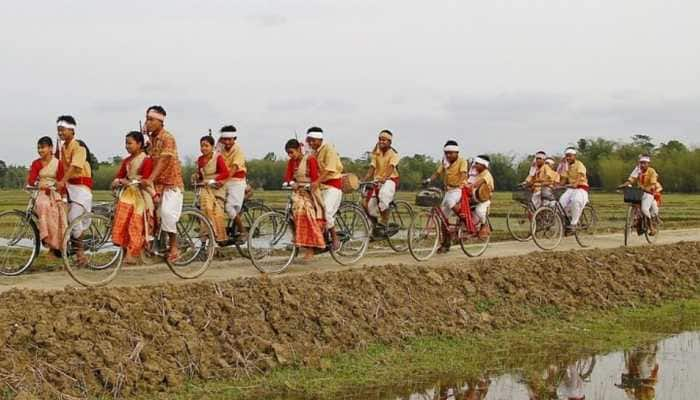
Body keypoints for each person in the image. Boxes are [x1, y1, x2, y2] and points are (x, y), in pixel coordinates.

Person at [141, 105, 184, 262]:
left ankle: (174, 247)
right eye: (147, 119)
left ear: (160, 121)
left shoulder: (167, 138)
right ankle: (154, 244)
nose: (148, 122)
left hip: (171, 183)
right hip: (157, 185)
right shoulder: (151, 140)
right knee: (148, 212)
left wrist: (150, 179)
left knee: (167, 214)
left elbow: (164, 160)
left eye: (151, 119)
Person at [110, 131, 155, 264]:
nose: (127, 146)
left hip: (142, 192)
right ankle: (125, 252)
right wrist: (117, 180)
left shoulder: (146, 160)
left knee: (135, 223)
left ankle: (133, 253)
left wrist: (127, 181)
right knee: (122, 220)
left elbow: (146, 179)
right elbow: (121, 175)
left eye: (130, 143)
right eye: (126, 143)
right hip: (128, 193)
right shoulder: (127, 161)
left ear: (139, 144)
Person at [55, 115, 93, 265]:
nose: (60, 133)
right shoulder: (63, 148)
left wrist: (62, 181)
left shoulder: (79, 147)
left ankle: (81, 254)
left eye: (62, 130)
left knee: (74, 219)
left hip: (81, 187)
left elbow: (75, 166)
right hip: (70, 187)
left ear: (72, 130)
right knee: (60, 214)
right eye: (58, 130)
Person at [282, 139, 326, 260]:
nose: (290, 155)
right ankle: (297, 238)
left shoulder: (310, 159)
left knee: (306, 212)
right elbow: (288, 176)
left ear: (299, 149)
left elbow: (314, 178)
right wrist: (291, 183)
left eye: (291, 152)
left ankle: (311, 247)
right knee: (289, 211)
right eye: (288, 153)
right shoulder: (291, 162)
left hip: (310, 192)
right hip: (298, 192)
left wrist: (307, 186)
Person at [425, 140, 469, 252]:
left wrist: (461, 182)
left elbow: (463, 174)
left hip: (458, 189)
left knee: (450, 202)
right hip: (448, 190)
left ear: (456, 153)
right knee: (443, 219)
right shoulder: (445, 161)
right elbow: (438, 173)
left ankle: (463, 217)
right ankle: (446, 243)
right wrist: (429, 180)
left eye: (451, 153)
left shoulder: (462, 161)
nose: (448, 155)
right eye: (447, 153)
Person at [26, 136, 67, 256]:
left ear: (50, 148)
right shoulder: (36, 163)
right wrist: (39, 184)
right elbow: (31, 179)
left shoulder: (58, 163)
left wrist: (64, 198)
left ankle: (56, 247)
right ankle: (46, 239)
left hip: (54, 192)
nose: (40, 150)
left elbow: (61, 181)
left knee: (58, 213)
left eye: (43, 147)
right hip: (40, 192)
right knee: (43, 205)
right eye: (38, 148)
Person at [306, 127, 344, 250]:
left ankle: (335, 238)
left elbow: (329, 169)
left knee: (326, 211)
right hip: (320, 187)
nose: (311, 143)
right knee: (311, 211)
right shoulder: (312, 152)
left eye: (313, 140)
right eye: (309, 140)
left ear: (320, 139)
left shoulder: (329, 149)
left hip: (332, 186)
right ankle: (320, 239)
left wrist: (316, 181)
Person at [362, 129, 399, 231]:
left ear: (389, 142)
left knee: (383, 196)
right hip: (377, 180)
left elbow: (391, 168)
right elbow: (372, 168)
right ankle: (376, 226)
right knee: (367, 205)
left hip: (390, 179)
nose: (381, 141)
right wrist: (363, 179)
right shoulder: (376, 153)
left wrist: (384, 178)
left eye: (384, 140)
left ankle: (384, 222)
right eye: (380, 139)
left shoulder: (393, 153)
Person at [196, 134, 230, 242]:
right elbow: (200, 175)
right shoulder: (200, 160)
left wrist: (213, 180)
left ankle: (219, 237)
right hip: (205, 188)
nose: (203, 148)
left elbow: (225, 173)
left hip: (217, 187)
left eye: (206, 146)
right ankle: (206, 238)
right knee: (205, 210)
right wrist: (197, 176)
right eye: (202, 146)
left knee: (217, 212)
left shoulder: (217, 157)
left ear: (212, 147)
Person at [218, 125, 248, 242]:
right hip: (224, 180)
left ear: (234, 139)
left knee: (229, 207)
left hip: (236, 181)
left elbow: (234, 168)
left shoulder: (238, 150)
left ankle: (242, 231)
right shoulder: (219, 148)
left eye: (230, 139)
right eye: (225, 139)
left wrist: (224, 180)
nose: (227, 142)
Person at [618, 155, 662, 235]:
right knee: (634, 204)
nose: (642, 165)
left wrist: (646, 189)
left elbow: (653, 184)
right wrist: (624, 185)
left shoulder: (652, 171)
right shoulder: (637, 170)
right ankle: (635, 222)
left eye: (644, 163)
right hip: (639, 192)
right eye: (641, 163)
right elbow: (631, 179)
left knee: (644, 209)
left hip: (649, 193)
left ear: (648, 164)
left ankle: (651, 228)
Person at [557, 147, 589, 233]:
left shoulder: (579, 164)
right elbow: (564, 179)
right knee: (561, 203)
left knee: (575, 201)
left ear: (574, 156)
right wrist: (558, 185)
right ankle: (567, 220)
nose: (568, 158)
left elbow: (580, 176)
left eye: (570, 156)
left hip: (581, 188)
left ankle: (574, 223)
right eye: (566, 156)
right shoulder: (566, 167)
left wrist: (576, 183)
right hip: (571, 189)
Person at [466, 155, 494, 238]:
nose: (475, 165)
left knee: (479, 211)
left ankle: (484, 225)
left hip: (483, 200)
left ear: (484, 165)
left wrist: (469, 186)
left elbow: (477, 184)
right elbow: (469, 182)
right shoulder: (476, 173)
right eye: (475, 163)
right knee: (463, 209)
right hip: (474, 198)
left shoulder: (487, 175)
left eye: (477, 163)